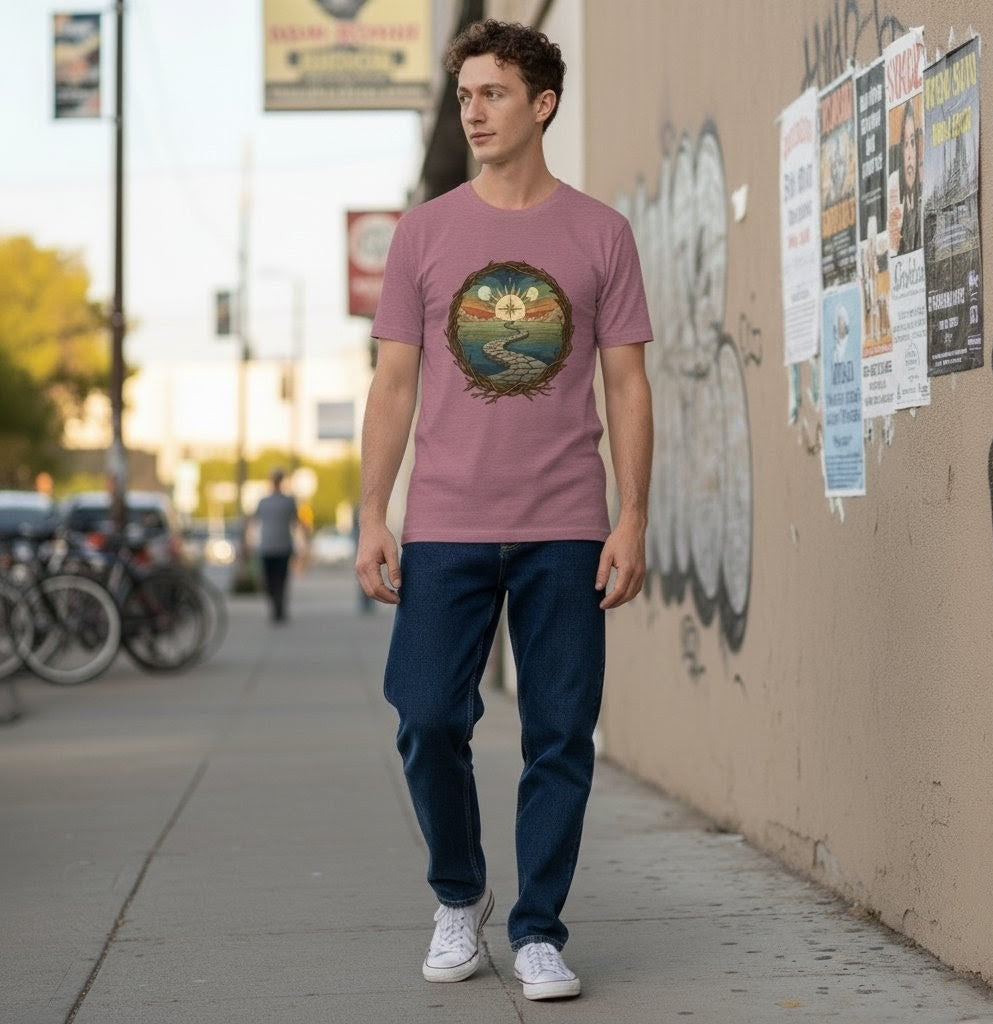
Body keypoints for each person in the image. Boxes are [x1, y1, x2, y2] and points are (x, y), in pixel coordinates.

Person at [355, 19, 653, 1003]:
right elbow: (393, 385)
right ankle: (459, 896)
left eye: (491, 94)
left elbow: (627, 387)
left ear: (541, 105)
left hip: (566, 520)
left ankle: (537, 931)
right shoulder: (425, 233)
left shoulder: (599, 233)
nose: (472, 111)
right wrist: (371, 515)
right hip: (444, 520)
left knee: (560, 729)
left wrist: (632, 518)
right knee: (427, 715)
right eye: (464, 95)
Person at [253, 468, 305, 623]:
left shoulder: (281, 501)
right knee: (277, 580)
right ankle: (277, 605)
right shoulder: (273, 501)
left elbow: (297, 523)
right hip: (275, 546)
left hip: (275, 546)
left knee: (275, 580)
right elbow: (297, 524)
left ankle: (278, 607)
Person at [889, 98, 921, 256]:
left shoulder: (923, 194)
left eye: (913, 142)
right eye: (906, 144)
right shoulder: (895, 188)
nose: (909, 154)